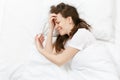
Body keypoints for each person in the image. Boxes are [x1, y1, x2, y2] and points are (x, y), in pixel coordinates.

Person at [11, 2, 119, 80]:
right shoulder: (67, 42)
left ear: (69, 19)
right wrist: (51, 28)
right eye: (55, 23)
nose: (57, 26)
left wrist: (40, 49)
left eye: (58, 22)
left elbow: (59, 61)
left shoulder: (82, 34)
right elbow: (50, 55)